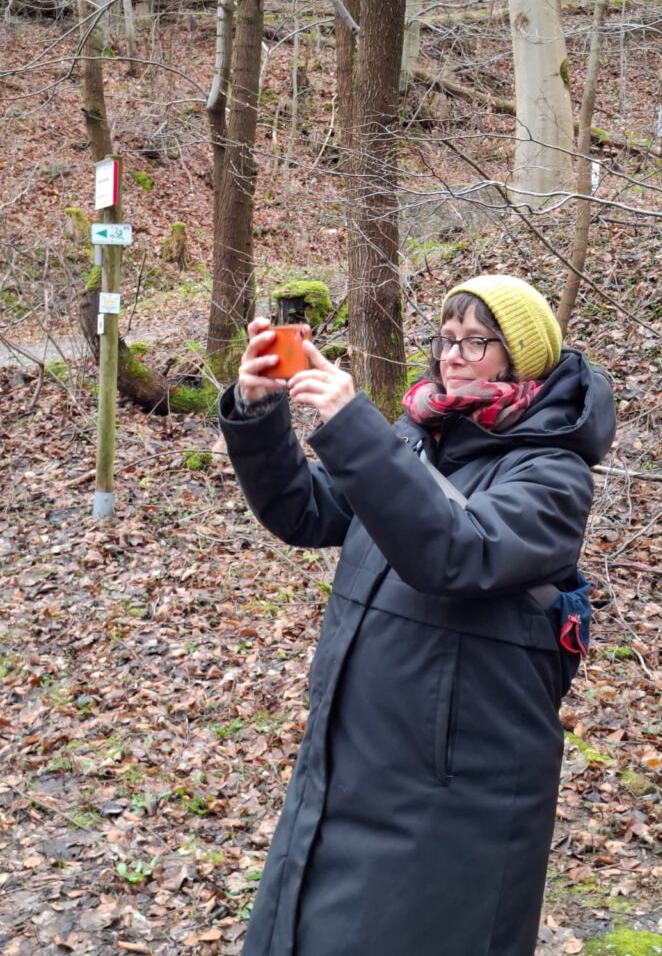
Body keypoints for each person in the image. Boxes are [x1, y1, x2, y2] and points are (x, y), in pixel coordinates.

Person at [218, 274, 617, 956]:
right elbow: (305, 510)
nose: (454, 354)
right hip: (350, 767)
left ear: (521, 359)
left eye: (477, 341)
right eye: (447, 338)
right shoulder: (416, 441)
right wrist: (258, 414)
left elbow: (457, 551)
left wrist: (352, 426)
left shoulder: (553, 473)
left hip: (449, 800)